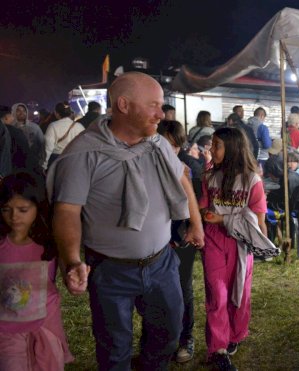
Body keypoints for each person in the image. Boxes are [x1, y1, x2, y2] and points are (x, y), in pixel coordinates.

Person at [48, 72, 204, 370]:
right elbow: (66, 211)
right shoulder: (84, 153)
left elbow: (182, 178)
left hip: (161, 263)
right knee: (114, 349)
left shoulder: (157, 143)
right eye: (154, 106)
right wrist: (71, 259)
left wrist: (195, 223)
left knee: (167, 335)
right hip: (110, 271)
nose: (162, 114)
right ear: (123, 105)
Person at [199, 127, 278, 370]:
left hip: (241, 243)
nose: (211, 149)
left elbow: (258, 217)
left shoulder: (252, 180)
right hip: (213, 241)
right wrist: (205, 216)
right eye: (212, 145)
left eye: (217, 145)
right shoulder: (209, 177)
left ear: (232, 148)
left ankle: (236, 334)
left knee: (239, 292)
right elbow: (202, 207)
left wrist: (261, 244)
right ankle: (218, 348)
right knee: (217, 294)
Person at [0, 172, 74, 370]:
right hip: (7, 329)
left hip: (45, 326)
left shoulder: (50, 243)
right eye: (6, 209)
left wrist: (74, 276)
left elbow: (70, 270)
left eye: (23, 209)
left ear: (38, 207)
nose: (14, 216)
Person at [156, 119, 201, 363]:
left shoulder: (188, 168)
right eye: (165, 143)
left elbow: (192, 207)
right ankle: (161, 341)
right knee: (156, 294)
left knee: (183, 288)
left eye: (175, 146)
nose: (169, 150)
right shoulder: (148, 164)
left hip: (180, 239)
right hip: (155, 241)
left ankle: (186, 338)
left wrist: (184, 234)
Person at [44, 102, 84, 169]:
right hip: (75, 160)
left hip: (57, 160)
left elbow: (48, 147)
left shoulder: (53, 126)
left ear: (56, 113)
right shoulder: (79, 126)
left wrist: (44, 165)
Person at [11, 103, 45, 170]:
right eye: (18, 110)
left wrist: (42, 162)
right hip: (14, 165)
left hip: (32, 164)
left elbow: (42, 145)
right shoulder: (9, 128)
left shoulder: (34, 127)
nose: (22, 113)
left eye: (24, 110)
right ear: (13, 112)